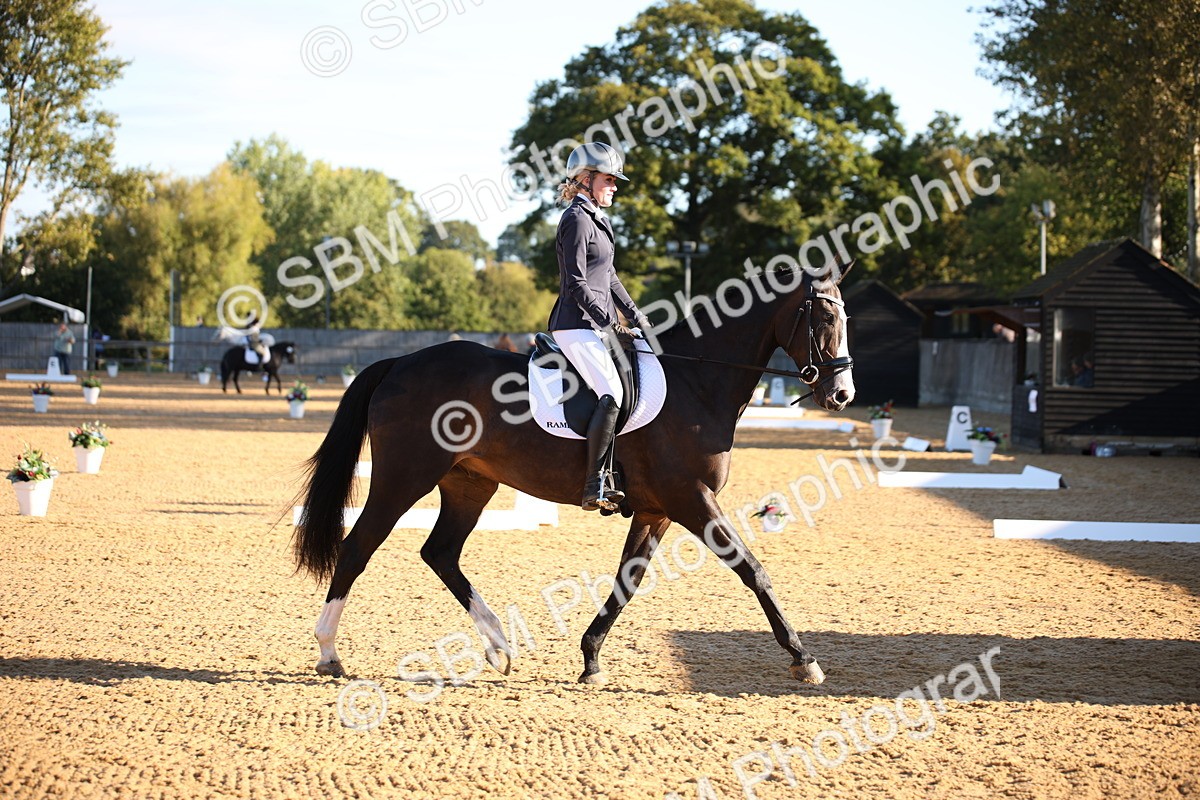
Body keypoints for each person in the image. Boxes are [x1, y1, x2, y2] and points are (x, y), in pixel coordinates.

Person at [549, 141, 650, 512]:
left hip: (596, 325)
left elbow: (609, 278)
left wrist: (637, 317)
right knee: (612, 392)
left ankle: (616, 473)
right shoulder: (575, 219)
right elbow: (576, 283)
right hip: (576, 325)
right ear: (586, 179)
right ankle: (595, 485)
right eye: (609, 180)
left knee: (628, 388)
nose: (615, 186)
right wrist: (610, 323)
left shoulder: (597, 219)